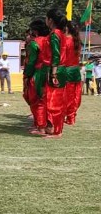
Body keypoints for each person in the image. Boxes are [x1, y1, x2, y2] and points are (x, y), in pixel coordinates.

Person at [44, 8, 69, 139]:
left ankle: (57, 131)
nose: (45, 21)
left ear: (50, 20)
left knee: (54, 102)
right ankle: (54, 128)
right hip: (62, 69)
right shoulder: (61, 34)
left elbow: (55, 55)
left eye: (46, 18)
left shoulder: (54, 35)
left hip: (57, 69)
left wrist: (53, 73)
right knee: (57, 101)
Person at [64, 22, 82, 126]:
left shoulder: (66, 40)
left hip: (67, 70)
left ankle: (64, 116)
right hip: (76, 70)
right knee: (75, 94)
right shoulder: (77, 41)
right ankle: (71, 117)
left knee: (66, 95)